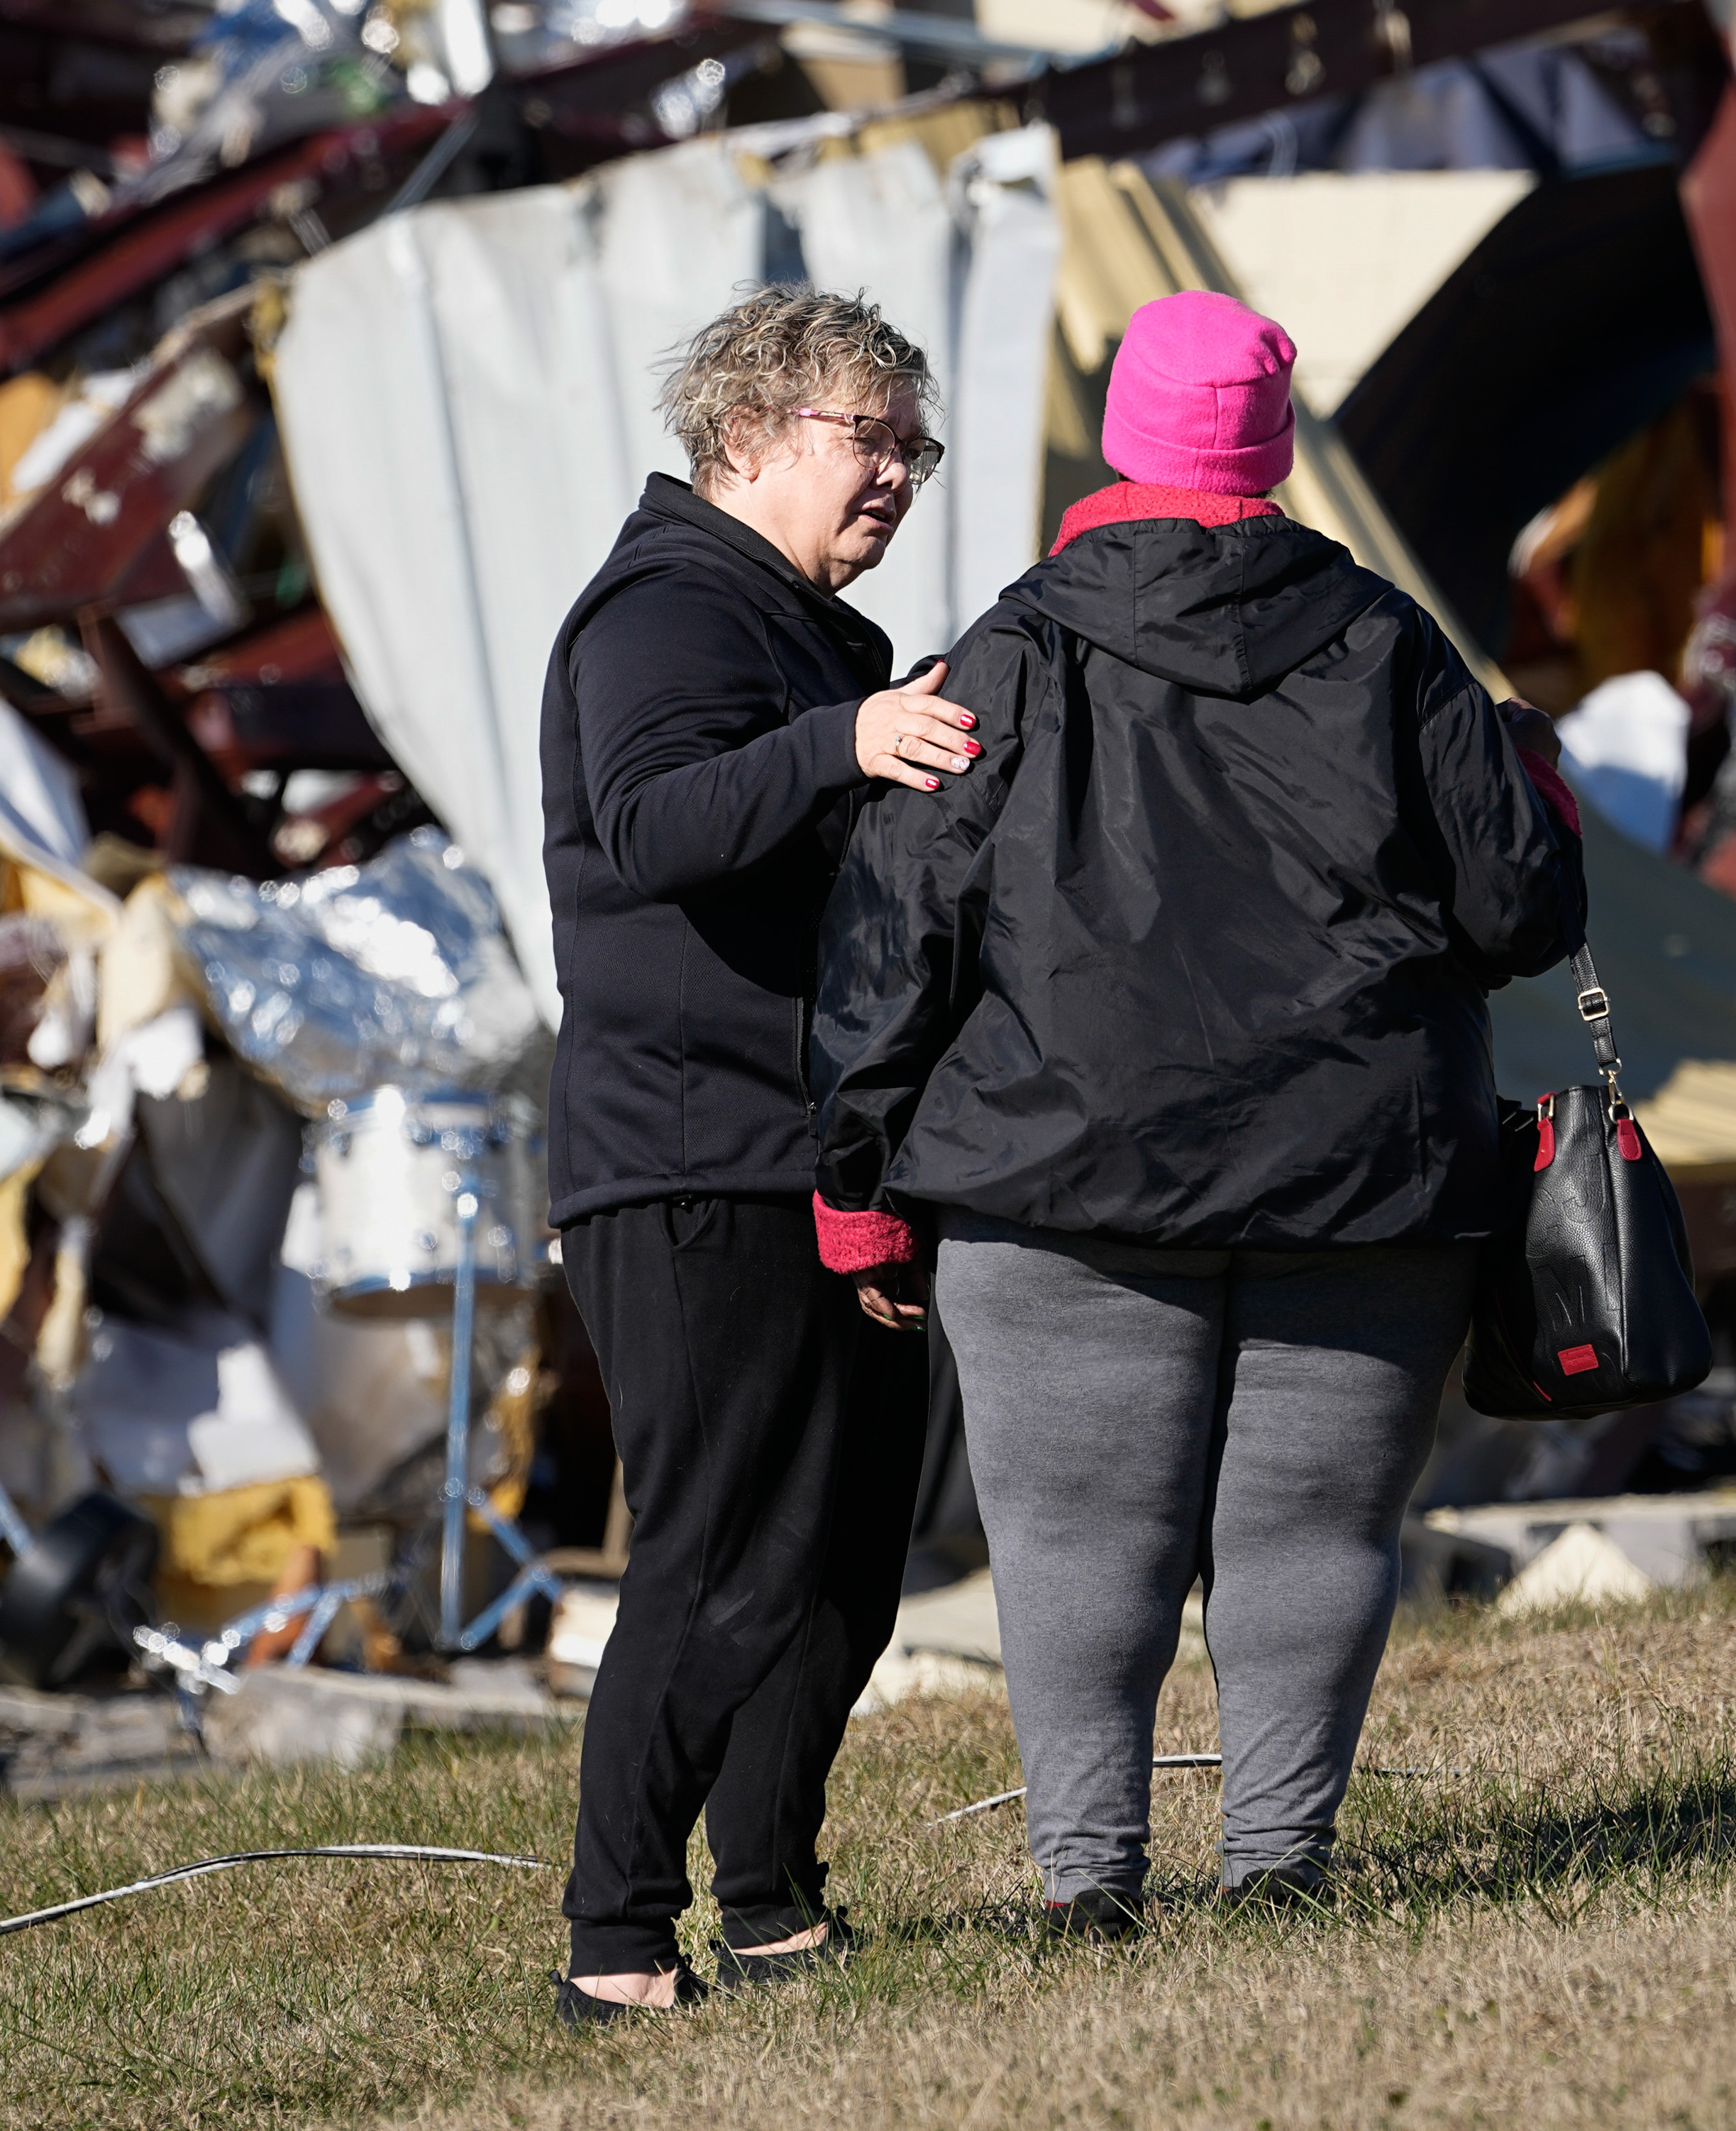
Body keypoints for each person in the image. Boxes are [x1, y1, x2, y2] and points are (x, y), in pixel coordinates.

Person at [807, 291, 1586, 1932]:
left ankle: (1090, 1887)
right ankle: (1280, 1867)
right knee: (1313, 1538)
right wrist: (1540, 782)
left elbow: (898, 922)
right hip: (1364, 1178)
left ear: (1122, 442)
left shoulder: (1007, 655)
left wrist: (856, 1177)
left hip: (1053, 1178)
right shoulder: (1391, 643)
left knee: (1076, 1549)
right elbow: (1523, 912)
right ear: (1274, 451)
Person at [537, 287, 982, 2023]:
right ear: (743, 434)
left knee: (846, 1556)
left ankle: (776, 1902)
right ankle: (614, 1942)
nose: (894, 476)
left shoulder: (817, 635)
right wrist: (847, 748)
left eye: (911, 446)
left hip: (823, 1157)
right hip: (683, 1159)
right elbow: (651, 821)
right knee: (719, 1552)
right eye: (862, 437)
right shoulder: (667, 604)